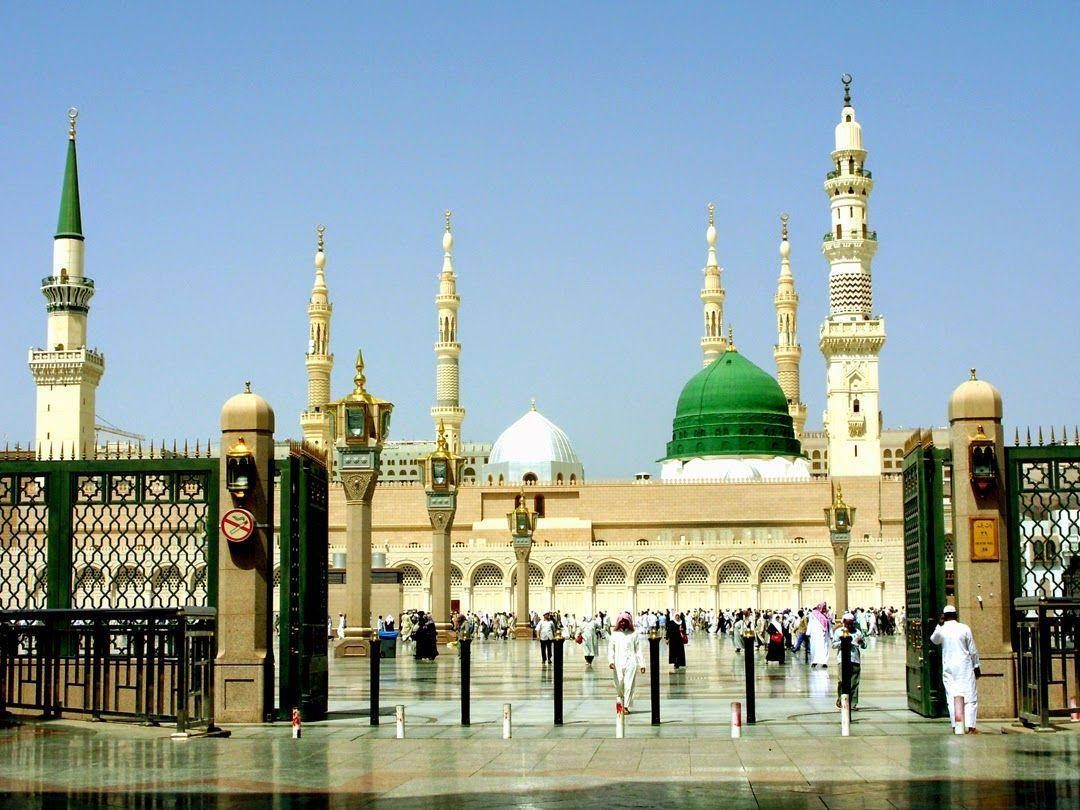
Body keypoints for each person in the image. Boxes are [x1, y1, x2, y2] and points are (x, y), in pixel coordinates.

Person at [931, 605, 981, 733]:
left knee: (952, 696)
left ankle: (956, 726)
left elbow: (934, 640)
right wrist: (976, 666)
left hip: (949, 668)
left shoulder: (942, 630)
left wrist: (938, 624)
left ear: (944, 615)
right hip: (965, 667)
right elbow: (972, 650)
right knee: (970, 697)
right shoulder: (964, 628)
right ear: (956, 615)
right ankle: (971, 727)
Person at [608, 611, 646, 713]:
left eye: (625, 621)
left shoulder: (634, 634)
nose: (623, 623)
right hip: (618, 662)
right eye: (621, 621)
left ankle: (625, 706)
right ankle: (620, 698)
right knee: (619, 683)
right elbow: (611, 649)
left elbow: (638, 650)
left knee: (629, 684)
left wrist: (642, 664)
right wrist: (611, 661)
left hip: (631, 662)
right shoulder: (615, 634)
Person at [831, 612, 867, 708]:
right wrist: (843, 642)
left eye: (851, 623)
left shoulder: (858, 632)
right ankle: (841, 701)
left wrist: (861, 642)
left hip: (855, 659)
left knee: (854, 682)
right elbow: (833, 645)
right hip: (842, 659)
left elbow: (864, 645)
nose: (850, 625)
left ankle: (852, 703)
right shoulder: (839, 632)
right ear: (844, 622)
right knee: (842, 681)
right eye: (848, 623)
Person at [808, 602, 831, 668]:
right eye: (823, 607)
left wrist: (830, 634)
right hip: (815, 634)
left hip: (824, 634)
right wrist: (808, 632)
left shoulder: (826, 615)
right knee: (815, 648)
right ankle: (814, 661)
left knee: (824, 647)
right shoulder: (813, 614)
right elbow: (810, 623)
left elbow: (829, 625)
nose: (824, 608)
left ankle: (824, 662)